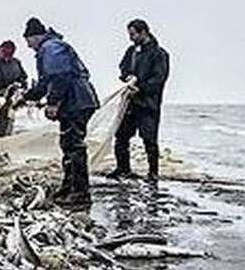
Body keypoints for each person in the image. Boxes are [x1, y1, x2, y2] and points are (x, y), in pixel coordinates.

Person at [21, 18, 100, 205]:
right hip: (75, 100)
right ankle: (68, 187)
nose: (28, 46)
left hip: (76, 100)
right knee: (68, 144)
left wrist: (53, 103)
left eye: (28, 41)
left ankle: (80, 192)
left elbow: (60, 76)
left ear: (35, 36)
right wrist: (25, 97)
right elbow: (44, 83)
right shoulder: (50, 48)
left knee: (74, 146)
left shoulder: (51, 47)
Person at [110, 19, 170, 181]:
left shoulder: (159, 54)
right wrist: (127, 77)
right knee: (121, 136)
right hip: (129, 102)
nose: (131, 38)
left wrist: (141, 88)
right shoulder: (131, 51)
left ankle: (153, 173)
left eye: (133, 34)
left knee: (149, 139)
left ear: (144, 32)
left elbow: (159, 79)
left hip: (148, 104)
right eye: (129, 34)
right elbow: (123, 68)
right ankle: (123, 169)